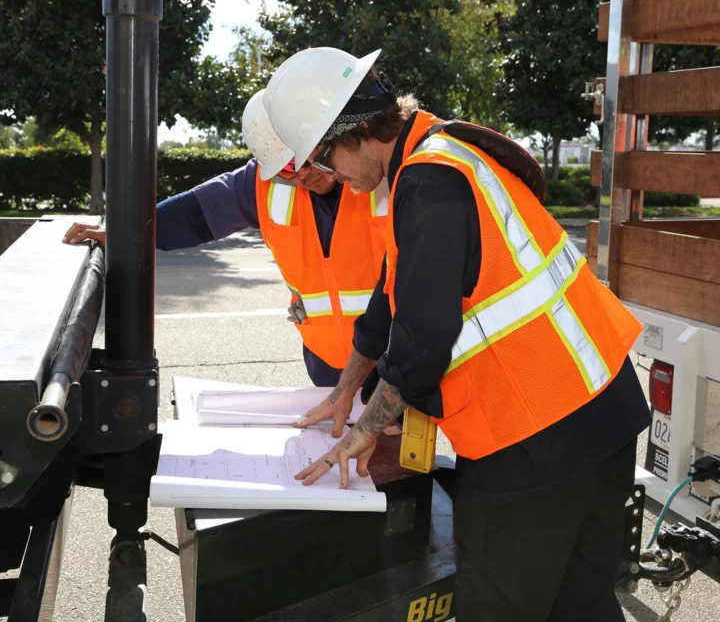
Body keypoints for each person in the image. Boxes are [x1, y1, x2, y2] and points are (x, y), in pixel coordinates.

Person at [260, 46, 651, 622]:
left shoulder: (428, 181)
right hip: (604, 415)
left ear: (357, 131)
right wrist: (345, 390)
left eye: (324, 155)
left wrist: (366, 429)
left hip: (533, 446)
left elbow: (421, 341)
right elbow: (386, 307)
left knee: (497, 608)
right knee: (582, 604)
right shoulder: (442, 154)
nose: (329, 175)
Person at [63, 89, 388, 404]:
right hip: (328, 377)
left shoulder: (380, 172)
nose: (303, 176)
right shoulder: (264, 183)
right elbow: (197, 212)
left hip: (395, 374)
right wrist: (126, 231)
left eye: (308, 159)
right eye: (286, 168)